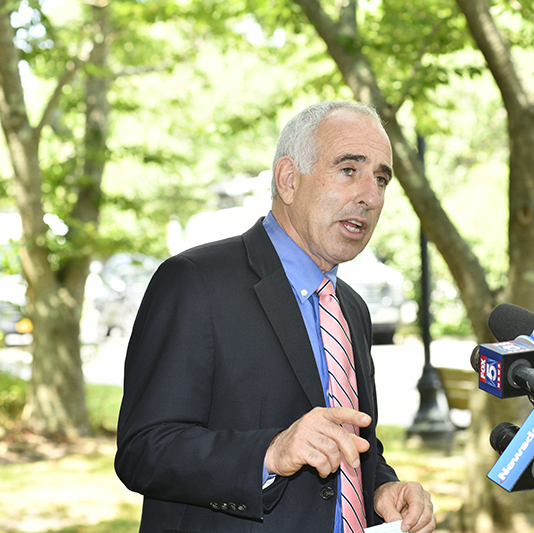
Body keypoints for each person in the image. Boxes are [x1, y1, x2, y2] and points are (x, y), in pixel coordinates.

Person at [115, 101, 436, 533]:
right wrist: (269, 452)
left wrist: (382, 490)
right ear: (288, 179)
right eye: (348, 170)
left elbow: (356, 448)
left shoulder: (352, 309)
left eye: (380, 179)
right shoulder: (194, 282)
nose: (370, 195)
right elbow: (143, 450)